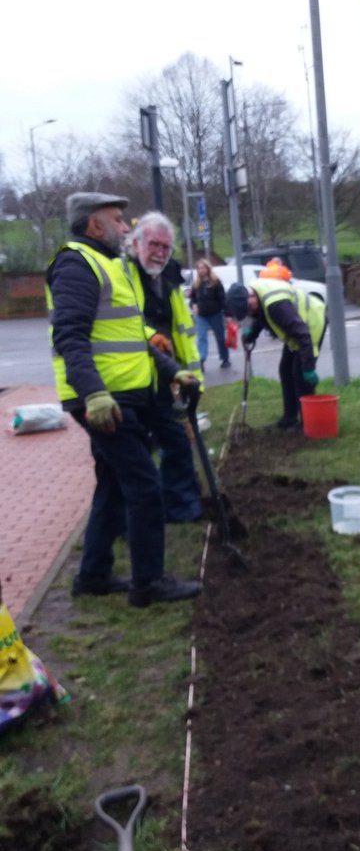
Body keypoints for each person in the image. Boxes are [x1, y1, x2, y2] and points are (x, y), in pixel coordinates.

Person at [46, 191, 202, 608]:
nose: (125, 227)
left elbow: (132, 340)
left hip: (124, 396)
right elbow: (70, 338)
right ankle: (148, 583)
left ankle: (93, 575)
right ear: (94, 224)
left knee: (114, 484)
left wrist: (173, 371)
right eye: (118, 219)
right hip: (105, 401)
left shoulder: (111, 266)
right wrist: (94, 394)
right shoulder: (76, 264)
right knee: (145, 484)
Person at [127, 211, 203, 524]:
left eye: (166, 247)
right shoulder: (122, 275)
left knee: (176, 443)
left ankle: (181, 506)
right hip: (130, 380)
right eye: (154, 245)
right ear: (136, 244)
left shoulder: (170, 278)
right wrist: (151, 337)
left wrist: (192, 378)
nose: (159, 253)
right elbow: (123, 324)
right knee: (132, 455)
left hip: (164, 378)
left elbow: (184, 332)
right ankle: (128, 519)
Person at [226, 260, 327, 431]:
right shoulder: (255, 293)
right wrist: (253, 332)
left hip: (311, 324)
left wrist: (308, 367)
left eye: (249, 309)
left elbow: (303, 335)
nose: (251, 312)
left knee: (299, 373)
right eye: (248, 312)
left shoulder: (276, 305)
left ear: (250, 296)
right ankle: (289, 418)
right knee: (285, 369)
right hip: (296, 330)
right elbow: (261, 313)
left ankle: (307, 423)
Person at [190, 257, 230, 370]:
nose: (201, 270)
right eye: (199, 268)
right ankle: (201, 360)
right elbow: (192, 297)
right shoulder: (196, 283)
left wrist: (227, 315)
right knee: (202, 337)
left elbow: (223, 299)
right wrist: (193, 304)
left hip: (215, 314)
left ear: (208, 269)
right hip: (201, 315)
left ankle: (225, 358)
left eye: (203, 268)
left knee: (220, 337)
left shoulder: (215, 282)